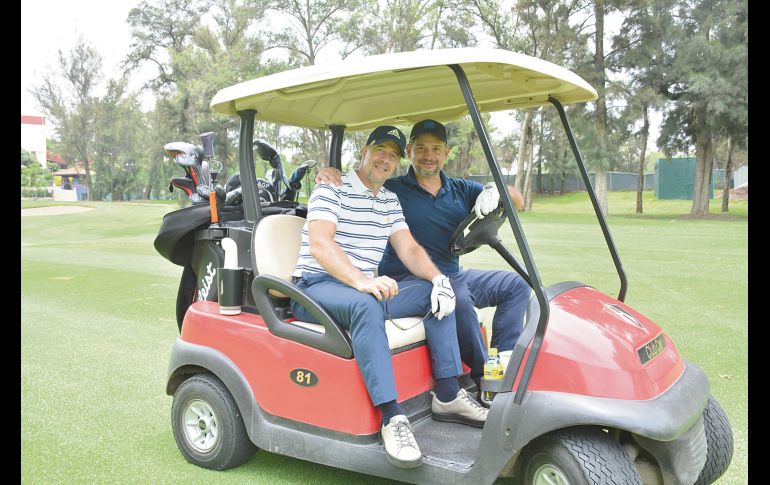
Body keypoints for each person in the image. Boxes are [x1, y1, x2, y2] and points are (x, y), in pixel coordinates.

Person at [290, 125, 488, 469]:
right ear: (364, 151)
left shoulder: (388, 200)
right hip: (316, 287)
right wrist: (359, 280)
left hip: (359, 287)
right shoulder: (331, 188)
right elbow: (321, 244)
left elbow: (408, 248)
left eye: (393, 155)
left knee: (435, 294)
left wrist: (439, 279)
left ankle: (447, 393)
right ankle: (392, 418)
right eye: (380, 150)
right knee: (365, 304)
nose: (385, 159)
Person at [316, 119, 531, 396]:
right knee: (459, 298)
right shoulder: (391, 189)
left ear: (446, 153)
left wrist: (498, 190)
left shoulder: (462, 190)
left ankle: (502, 365)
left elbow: (517, 202)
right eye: (420, 148)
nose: (428, 155)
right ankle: (484, 381)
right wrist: (330, 172)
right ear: (409, 151)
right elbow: (363, 179)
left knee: (516, 285)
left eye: (436, 148)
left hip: (453, 274)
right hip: (409, 279)